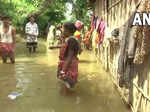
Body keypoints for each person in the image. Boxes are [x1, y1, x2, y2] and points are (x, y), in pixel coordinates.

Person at [49, 22, 80, 89]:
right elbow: (64, 46)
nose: (61, 30)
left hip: (69, 64)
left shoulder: (71, 40)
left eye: (63, 29)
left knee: (69, 84)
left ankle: (70, 96)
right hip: (66, 63)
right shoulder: (69, 39)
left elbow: (70, 56)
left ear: (68, 30)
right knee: (65, 82)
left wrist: (63, 70)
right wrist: (55, 47)